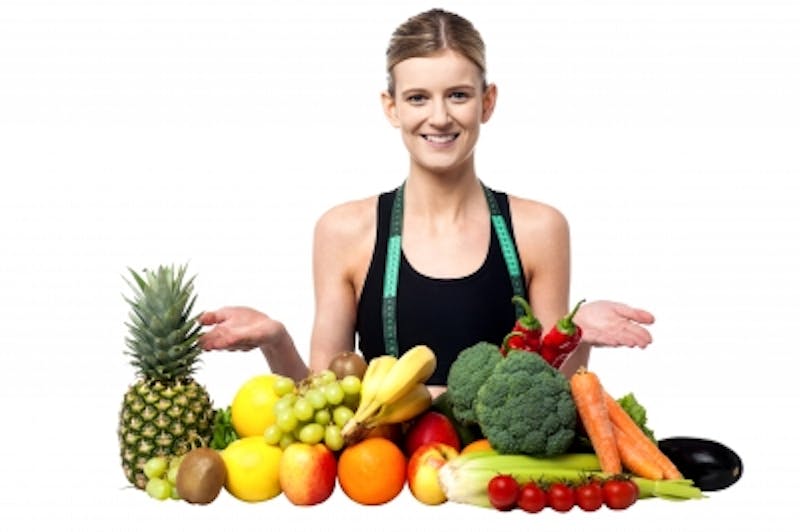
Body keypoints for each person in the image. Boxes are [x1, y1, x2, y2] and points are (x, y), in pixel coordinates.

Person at [198, 8, 655, 395]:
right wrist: (275, 341)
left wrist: (579, 335)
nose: (439, 117)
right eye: (418, 98)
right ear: (392, 107)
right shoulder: (345, 231)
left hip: (498, 474)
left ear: (487, 102)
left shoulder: (538, 229)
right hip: (383, 473)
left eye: (458, 95)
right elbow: (323, 400)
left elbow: (554, 396)